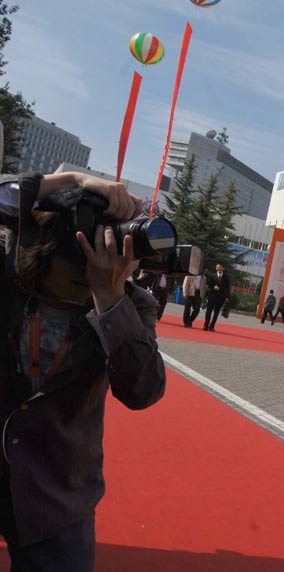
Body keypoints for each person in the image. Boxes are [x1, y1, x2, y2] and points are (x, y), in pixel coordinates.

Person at [0, 171, 166, 571]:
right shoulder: (10, 277)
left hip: (58, 492)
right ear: (41, 250)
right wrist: (74, 179)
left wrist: (109, 298)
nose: (88, 271)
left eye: (98, 261)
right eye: (75, 259)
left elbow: (143, 391)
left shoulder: (130, 303)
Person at [203, 263, 230, 332]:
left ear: (223, 268)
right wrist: (213, 287)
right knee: (208, 311)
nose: (218, 268)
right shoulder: (212, 276)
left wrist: (227, 297)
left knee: (216, 312)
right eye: (217, 267)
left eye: (220, 267)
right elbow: (209, 285)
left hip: (220, 297)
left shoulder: (226, 277)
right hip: (212, 296)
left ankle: (212, 326)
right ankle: (206, 325)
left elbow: (227, 288)